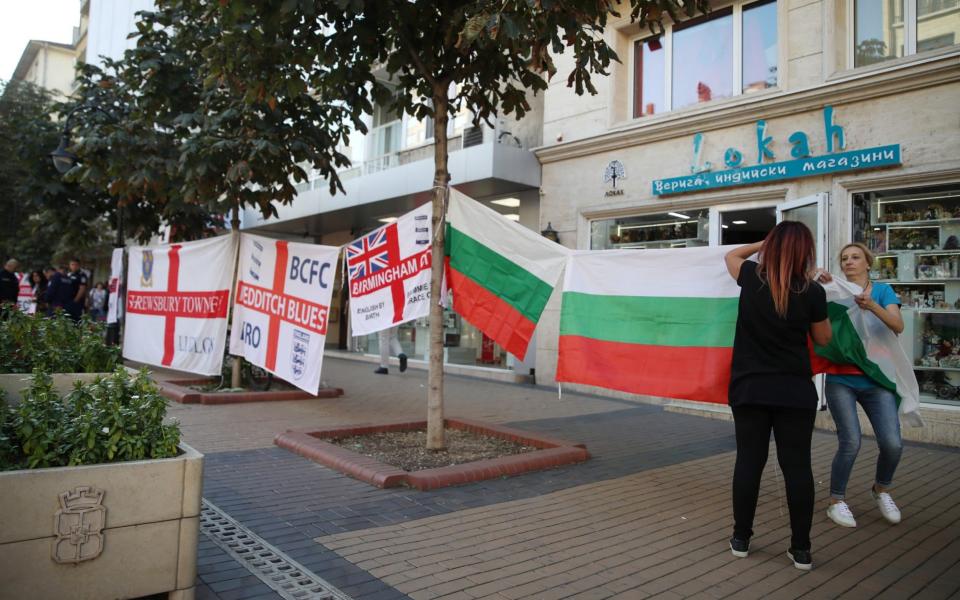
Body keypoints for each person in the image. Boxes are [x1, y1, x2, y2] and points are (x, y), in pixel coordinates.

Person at [724, 222, 832, 571]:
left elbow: (731, 254)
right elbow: (824, 340)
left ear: (771, 246)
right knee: (797, 467)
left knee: (748, 463)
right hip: (794, 391)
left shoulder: (752, 276)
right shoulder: (812, 292)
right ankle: (801, 549)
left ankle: (741, 538)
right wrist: (817, 290)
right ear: (806, 251)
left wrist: (762, 242)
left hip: (750, 387)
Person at [818, 243, 905, 528]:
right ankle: (836, 501)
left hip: (877, 378)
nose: (849, 262)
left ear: (868, 263)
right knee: (851, 441)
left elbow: (897, 325)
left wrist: (871, 306)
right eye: (844, 259)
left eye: (855, 257)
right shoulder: (833, 289)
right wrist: (819, 285)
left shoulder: (882, 291)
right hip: (841, 378)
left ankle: (881, 489)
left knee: (892, 443)